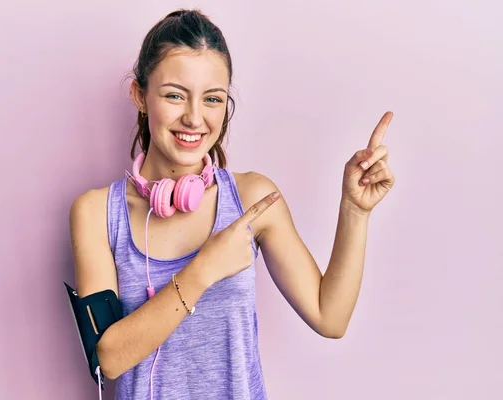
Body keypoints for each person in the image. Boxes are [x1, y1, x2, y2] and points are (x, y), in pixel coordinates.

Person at [69, 8, 395, 400]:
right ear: (140, 95)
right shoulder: (97, 213)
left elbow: (331, 317)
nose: (194, 118)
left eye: (212, 99)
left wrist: (355, 211)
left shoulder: (254, 200)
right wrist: (205, 268)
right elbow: (109, 359)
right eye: (174, 95)